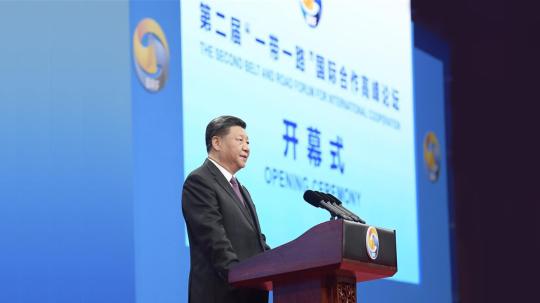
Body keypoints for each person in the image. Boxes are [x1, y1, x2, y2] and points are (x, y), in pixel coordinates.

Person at [182, 115, 270, 303]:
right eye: (240, 140)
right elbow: (215, 241)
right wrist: (241, 278)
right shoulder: (199, 181)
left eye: (248, 142)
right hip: (221, 294)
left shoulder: (242, 189)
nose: (247, 147)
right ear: (217, 142)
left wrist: (282, 264)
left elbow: (256, 242)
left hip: (250, 294)